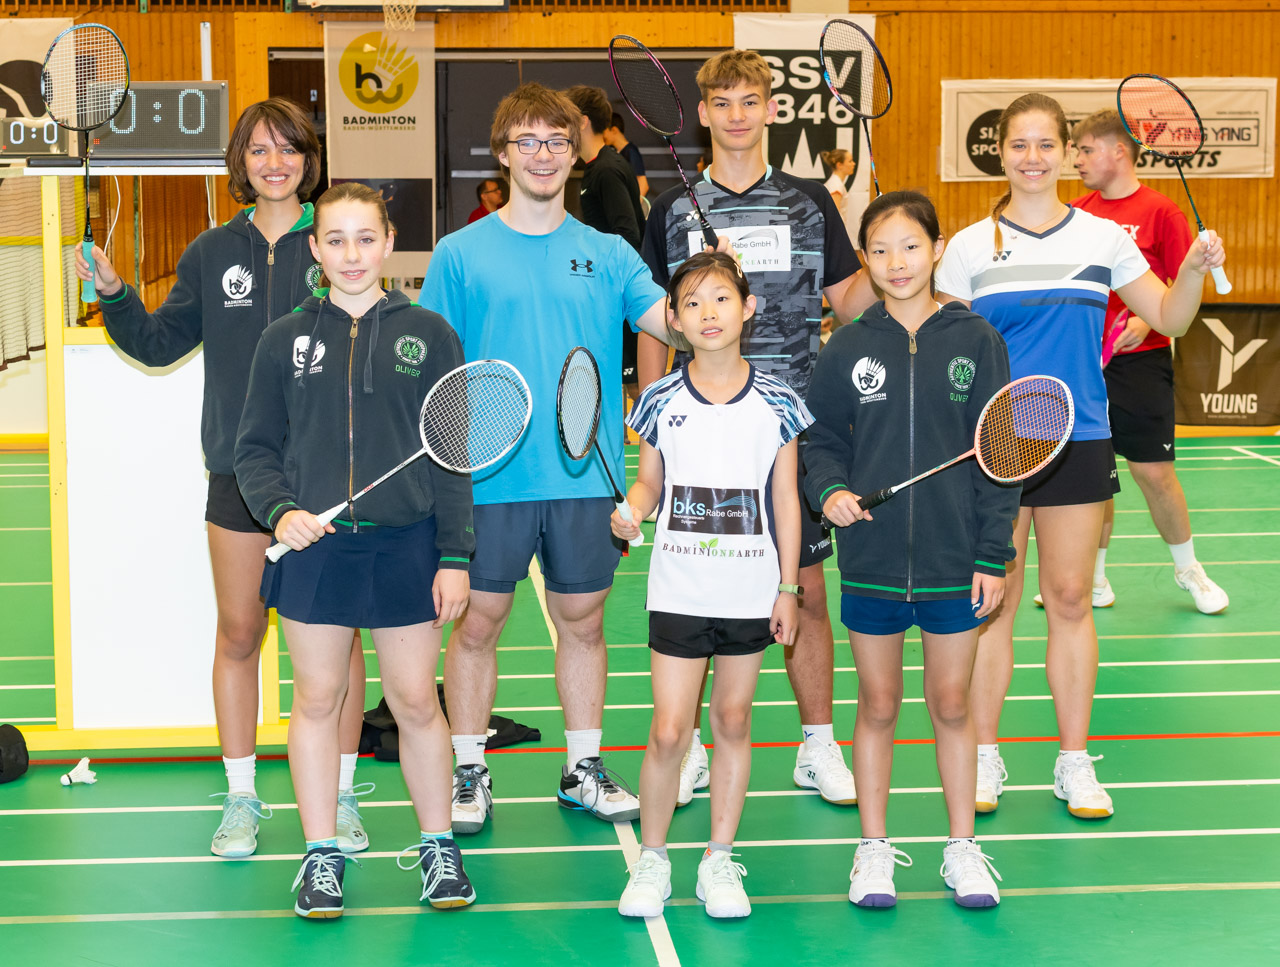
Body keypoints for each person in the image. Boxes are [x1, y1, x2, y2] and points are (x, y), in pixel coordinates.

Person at [74, 98, 370, 858]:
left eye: (289, 149)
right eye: (260, 150)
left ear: (309, 159)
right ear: (240, 163)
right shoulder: (212, 251)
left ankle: (341, 798)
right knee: (240, 632)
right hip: (239, 474)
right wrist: (115, 292)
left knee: (337, 642)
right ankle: (241, 797)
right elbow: (157, 342)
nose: (275, 163)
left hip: (326, 478)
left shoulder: (335, 241)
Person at [934, 93, 1227, 819]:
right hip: (994, 444)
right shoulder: (968, 248)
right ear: (1000, 153)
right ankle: (985, 755)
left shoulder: (1102, 239)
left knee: (1069, 599)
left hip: (1080, 436)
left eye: (1045, 144)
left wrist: (1193, 269)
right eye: (1018, 144)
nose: (1032, 157)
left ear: (1065, 153)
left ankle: (1072, 760)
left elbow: (1169, 317)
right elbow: (947, 359)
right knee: (992, 604)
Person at [418, 83, 677, 835]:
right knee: (477, 624)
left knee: (584, 623)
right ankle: (470, 770)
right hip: (487, 472)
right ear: (502, 154)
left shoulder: (610, 254)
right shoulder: (460, 254)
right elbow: (432, 365)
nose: (542, 155)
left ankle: (582, 768)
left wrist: (713, 285)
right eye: (526, 141)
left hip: (583, 472)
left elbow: (676, 323)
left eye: (556, 142)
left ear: (575, 153)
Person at [639, 48, 877, 808]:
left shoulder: (810, 202)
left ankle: (817, 743)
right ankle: (694, 747)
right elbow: (653, 322)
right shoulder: (673, 210)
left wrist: (883, 246)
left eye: (750, 101)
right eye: (723, 102)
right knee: (699, 583)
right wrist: (653, 422)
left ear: (772, 110)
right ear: (703, 113)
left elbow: (855, 301)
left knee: (806, 588)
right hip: (699, 430)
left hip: (788, 429)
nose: (737, 115)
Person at [235, 182, 475, 919]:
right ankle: (320, 856)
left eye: (365, 238)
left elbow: (453, 456)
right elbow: (254, 450)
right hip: (318, 551)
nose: (351, 254)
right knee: (316, 699)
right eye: (335, 239)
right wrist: (281, 512)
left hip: (408, 544)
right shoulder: (283, 339)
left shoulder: (430, 334)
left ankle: (439, 847)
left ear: (389, 242)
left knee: (415, 700)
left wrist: (455, 556)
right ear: (314, 247)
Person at [805, 191, 1015, 908]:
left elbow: (1001, 455)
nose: (897, 262)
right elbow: (820, 441)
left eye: (911, 246)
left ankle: (962, 848)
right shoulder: (847, 345)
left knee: (952, 703)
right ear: (865, 258)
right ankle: (872, 850)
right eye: (881, 249)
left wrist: (992, 555)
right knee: (878, 703)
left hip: (956, 562)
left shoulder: (977, 340)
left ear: (937, 249)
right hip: (872, 559)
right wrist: (831, 489)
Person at [615, 251, 805, 920]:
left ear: (747, 307)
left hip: (750, 589)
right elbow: (649, 482)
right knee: (670, 730)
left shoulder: (778, 400)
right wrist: (633, 509)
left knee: (732, 720)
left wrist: (788, 588)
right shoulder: (659, 399)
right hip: (679, 587)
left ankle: (719, 858)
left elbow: (786, 499)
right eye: (691, 303)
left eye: (721, 298)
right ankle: (653, 858)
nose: (708, 313)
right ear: (674, 318)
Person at [1054, 108, 1228, 615]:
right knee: (1093, 475)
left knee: (1153, 473)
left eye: (1086, 150)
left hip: (1142, 364)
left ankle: (1188, 570)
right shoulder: (1076, 212)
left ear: (1119, 152)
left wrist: (1148, 322)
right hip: (1085, 365)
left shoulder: (1162, 212)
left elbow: (1181, 285)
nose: (1077, 159)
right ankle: (1094, 580)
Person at [565, 85, 647, 399]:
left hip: (621, 297)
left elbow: (628, 235)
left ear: (582, 121)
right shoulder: (596, 167)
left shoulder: (608, 170)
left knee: (635, 387)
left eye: (566, 119)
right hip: (609, 295)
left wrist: (609, 288)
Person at [605, 110, 650, 198]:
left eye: (604, 131)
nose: (602, 135)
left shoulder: (631, 151)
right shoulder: (614, 152)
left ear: (614, 130)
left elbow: (643, 184)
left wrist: (635, 204)